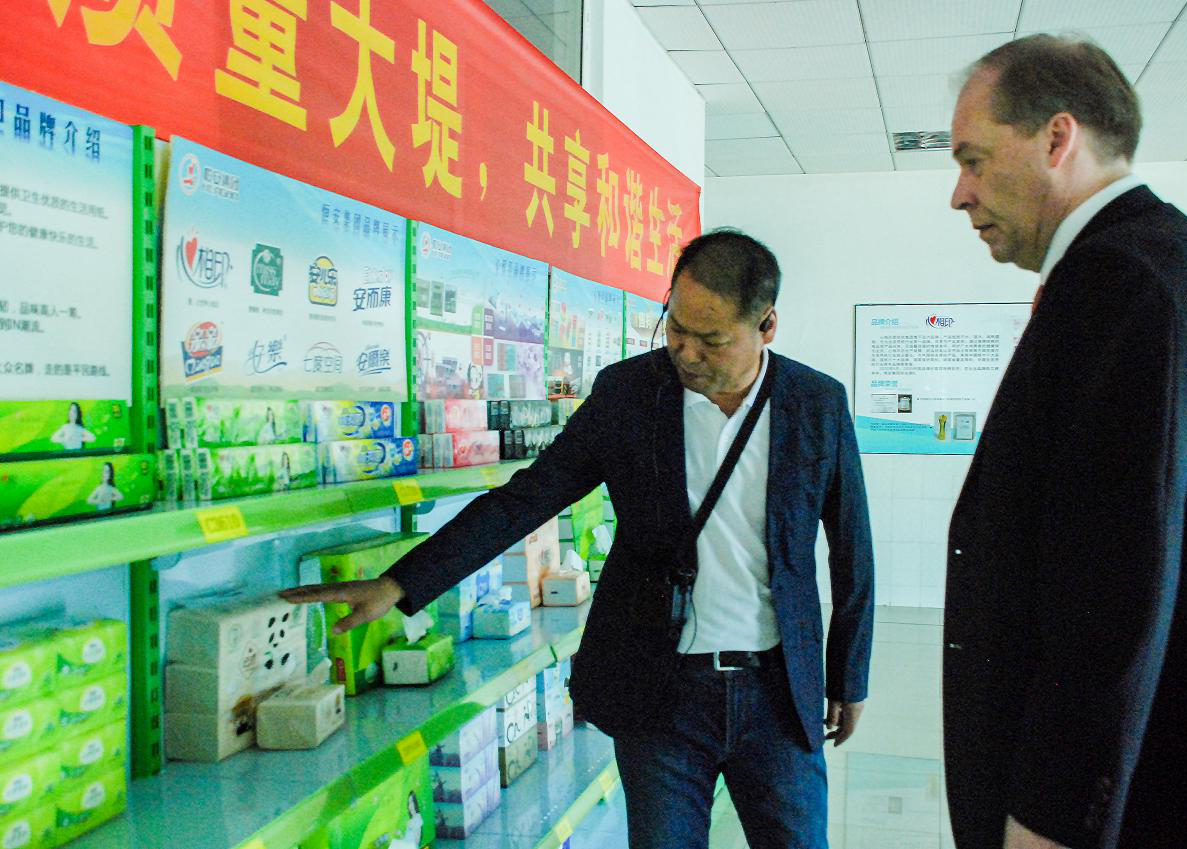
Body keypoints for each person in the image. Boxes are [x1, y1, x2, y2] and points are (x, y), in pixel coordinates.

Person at [282, 229, 875, 849]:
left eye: (711, 340)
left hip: (777, 693)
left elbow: (852, 550)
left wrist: (849, 675)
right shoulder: (629, 394)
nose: (686, 352)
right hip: (658, 691)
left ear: (767, 325)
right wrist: (402, 582)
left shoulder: (817, 404)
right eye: (675, 328)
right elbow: (527, 498)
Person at [945, 34, 1187, 849]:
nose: (959, 194)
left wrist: (1049, 821)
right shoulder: (1165, 262)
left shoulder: (1122, 282)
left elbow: (1113, 590)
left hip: (1142, 801)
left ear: (1057, 138)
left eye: (974, 160)